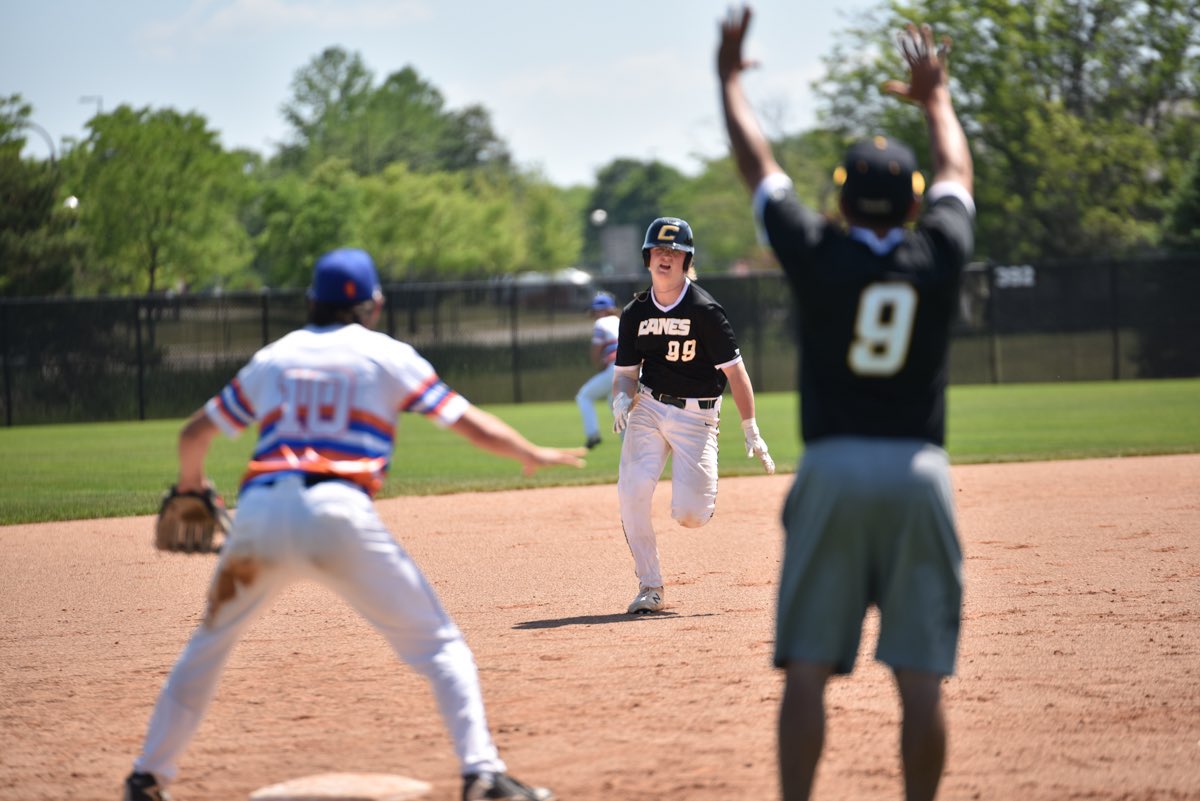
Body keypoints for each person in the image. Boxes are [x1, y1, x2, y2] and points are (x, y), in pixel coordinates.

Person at [123, 248, 582, 801]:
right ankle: (482, 775)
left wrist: (192, 486)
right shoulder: (385, 354)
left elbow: (194, 434)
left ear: (311, 301)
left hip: (261, 515)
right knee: (441, 648)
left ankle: (147, 777)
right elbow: (465, 421)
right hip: (339, 513)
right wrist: (527, 451)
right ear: (374, 305)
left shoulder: (274, 356)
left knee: (209, 646)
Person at [718, 8, 975, 801]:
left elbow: (760, 168)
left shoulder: (816, 249)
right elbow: (958, 173)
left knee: (805, 669)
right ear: (910, 205)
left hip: (830, 468)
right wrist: (935, 101)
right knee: (922, 679)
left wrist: (728, 78)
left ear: (840, 201)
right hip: (916, 468)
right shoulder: (938, 250)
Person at [612, 216, 775, 615]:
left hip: (697, 416)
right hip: (649, 406)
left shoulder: (705, 310)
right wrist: (621, 398)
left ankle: (694, 493)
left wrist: (750, 427)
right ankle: (650, 586)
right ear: (647, 258)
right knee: (631, 492)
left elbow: (735, 372)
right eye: (659, 251)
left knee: (691, 515)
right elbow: (625, 377)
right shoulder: (634, 313)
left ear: (687, 261)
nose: (665, 258)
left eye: (674, 252)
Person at [574, 290, 621, 449]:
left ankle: (592, 434)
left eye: (598, 310)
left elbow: (596, 350)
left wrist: (599, 365)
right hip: (634, 369)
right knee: (615, 404)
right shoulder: (620, 320)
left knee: (584, 396)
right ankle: (631, 448)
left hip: (615, 367)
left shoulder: (601, 323)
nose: (597, 313)